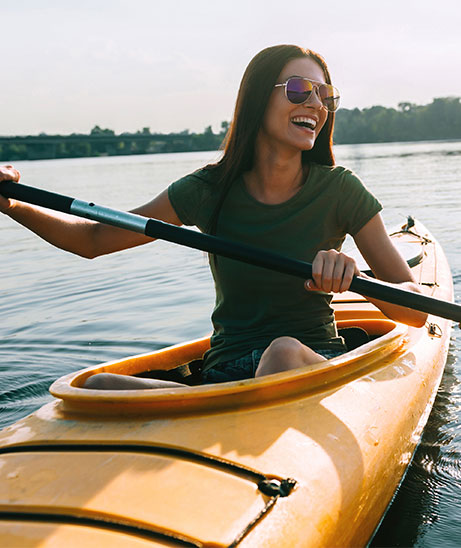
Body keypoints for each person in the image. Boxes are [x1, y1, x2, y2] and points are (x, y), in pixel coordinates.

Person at [0, 45, 427, 390]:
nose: (316, 104)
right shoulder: (207, 190)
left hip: (308, 364)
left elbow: (415, 310)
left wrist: (356, 279)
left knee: (280, 352)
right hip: (225, 372)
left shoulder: (340, 190)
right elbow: (92, 240)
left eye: (325, 95)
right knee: (95, 386)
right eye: (299, 89)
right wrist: (12, 204)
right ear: (259, 99)